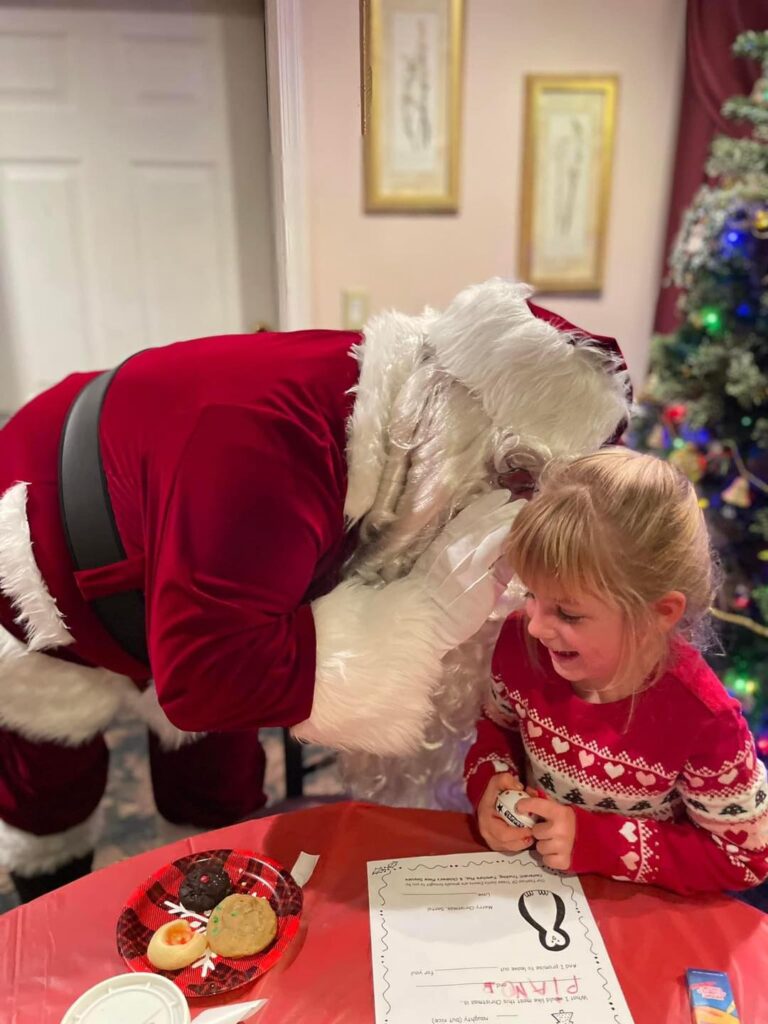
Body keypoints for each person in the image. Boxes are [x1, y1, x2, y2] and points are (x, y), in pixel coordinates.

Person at [0, 278, 630, 902]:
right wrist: (429, 619)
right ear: (467, 425)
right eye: (514, 482)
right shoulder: (266, 447)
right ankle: (41, 937)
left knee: (215, 782)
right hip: (41, 554)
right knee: (47, 782)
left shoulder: (400, 427)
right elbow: (209, 678)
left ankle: (209, 914)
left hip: (193, 561)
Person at [465, 448, 768, 895]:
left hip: (641, 921)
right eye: (532, 593)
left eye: (568, 613)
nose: (536, 625)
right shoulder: (520, 645)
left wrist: (593, 842)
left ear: (659, 613)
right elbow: (498, 728)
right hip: (533, 899)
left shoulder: (704, 720)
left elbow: (746, 857)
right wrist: (489, 785)